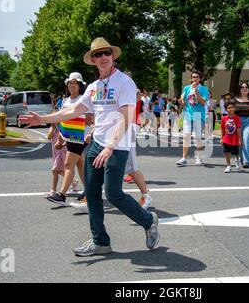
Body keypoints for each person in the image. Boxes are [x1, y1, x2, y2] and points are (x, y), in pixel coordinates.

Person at [19, 37, 159, 256]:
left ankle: (148, 220)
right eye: (98, 54)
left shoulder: (124, 82)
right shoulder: (93, 87)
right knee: (91, 193)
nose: (102, 57)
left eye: (106, 53)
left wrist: (110, 146)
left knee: (113, 194)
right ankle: (100, 241)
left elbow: (126, 117)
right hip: (96, 144)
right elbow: (72, 111)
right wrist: (43, 119)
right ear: (92, 60)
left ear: (112, 57)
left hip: (117, 146)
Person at [45, 72, 91, 207]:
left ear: (80, 86)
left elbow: (89, 119)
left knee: (67, 165)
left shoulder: (84, 100)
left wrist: (76, 115)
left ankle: (62, 195)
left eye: (75, 83)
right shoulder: (65, 101)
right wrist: (60, 138)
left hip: (80, 136)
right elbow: (62, 121)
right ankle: (89, 191)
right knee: (79, 164)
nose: (72, 85)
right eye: (70, 83)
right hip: (70, 137)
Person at [176, 70, 209, 166]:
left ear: (200, 79)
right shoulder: (186, 88)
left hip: (198, 115)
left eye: (197, 77)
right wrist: (180, 101)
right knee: (186, 135)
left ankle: (198, 158)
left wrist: (197, 93)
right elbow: (183, 101)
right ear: (191, 78)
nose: (195, 79)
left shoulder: (204, 89)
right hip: (187, 114)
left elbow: (203, 102)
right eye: (193, 77)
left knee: (197, 137)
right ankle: (184, 158)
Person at [45, 123, 67, 196]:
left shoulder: (63, 127)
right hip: (55, 152)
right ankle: (73, 181)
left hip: (62, 151)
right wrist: (53, 128)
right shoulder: (53, 128)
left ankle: (53, 190)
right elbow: (49, 137)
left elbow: (67, 138)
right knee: (60, 170)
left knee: (54, 170)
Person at [221, 100, 242, 173]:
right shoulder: (224, 118)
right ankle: (228, 165)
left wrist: (240, 139)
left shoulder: (237, 118)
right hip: (226, 139)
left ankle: (237, 160)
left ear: (234, 108)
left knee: (235, 153)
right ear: (226, 109)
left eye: (232, 107)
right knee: (227, 152)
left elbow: (238, 129)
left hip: (234, 139)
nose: (230, 109)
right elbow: (223, 129)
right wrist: (222, 138)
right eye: (228, 108)